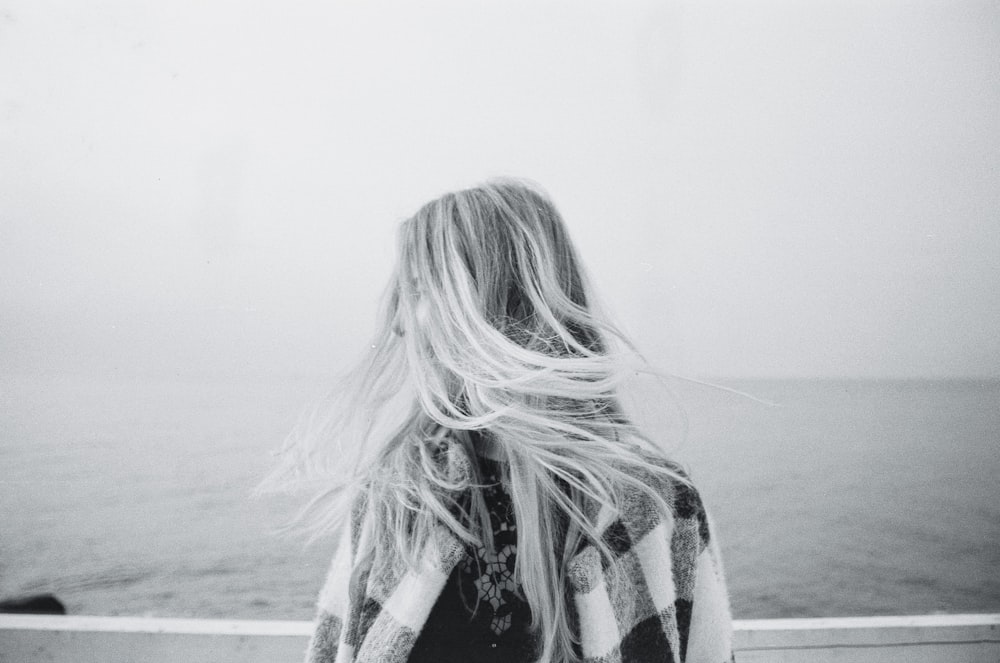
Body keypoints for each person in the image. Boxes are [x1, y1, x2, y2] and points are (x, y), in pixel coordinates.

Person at [269, 179, 733, 663]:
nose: (401, 323)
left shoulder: (650, 501)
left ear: (491, 304)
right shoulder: (399, 490)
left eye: (421, 290)